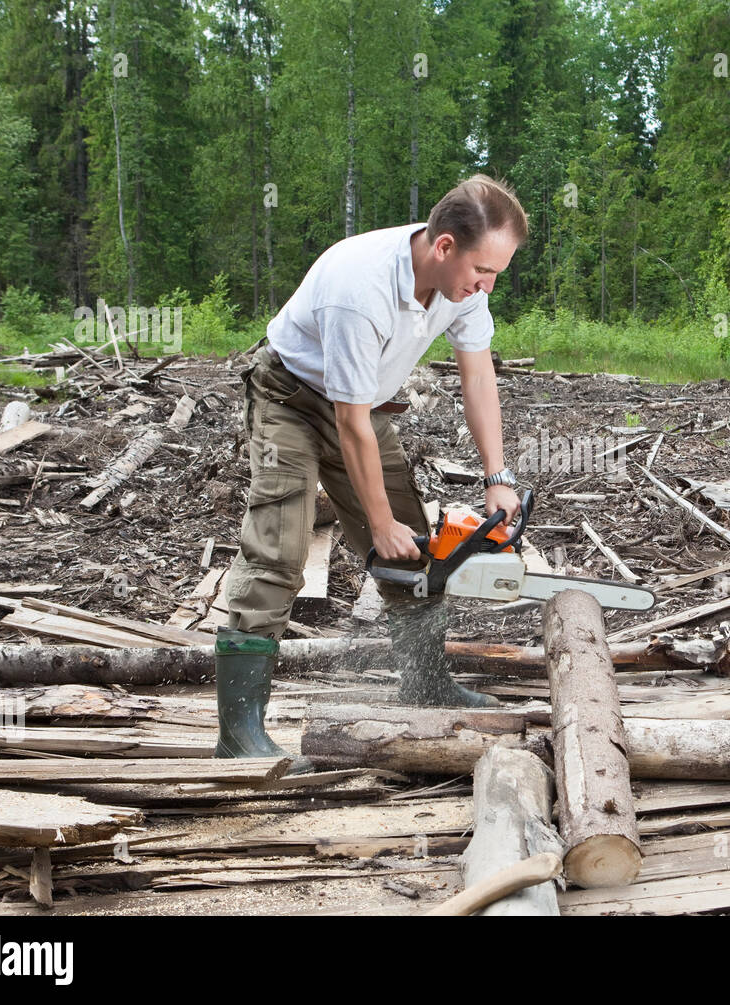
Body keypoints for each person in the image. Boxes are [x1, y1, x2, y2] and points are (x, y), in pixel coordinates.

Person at [214, 175, 528, 771]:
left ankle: (425, 684)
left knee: (416, 543)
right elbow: (348, 422)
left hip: (362, 405)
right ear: (443, 247)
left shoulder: (464, 287)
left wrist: (497, 475)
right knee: (279, 547)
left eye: (495, 274)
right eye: (483, 271)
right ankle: (239, 733)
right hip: (291, 398)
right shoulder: (360, 287)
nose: (487, 285)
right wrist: (375, 523)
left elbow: (478, 376)